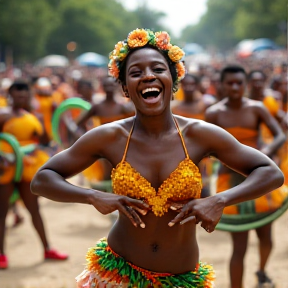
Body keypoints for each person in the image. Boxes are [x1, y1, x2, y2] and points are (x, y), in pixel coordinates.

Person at [31, 29, 284, 288]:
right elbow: (42, 179)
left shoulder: (199, 135)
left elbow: (271, 172)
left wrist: (219, 200)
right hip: (118, 275)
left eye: (158, 69)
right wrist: (92, 196)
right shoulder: (109, 137)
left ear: (172, 80)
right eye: (136, 72)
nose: (148, 76)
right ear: (125, 88)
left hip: (181, 279)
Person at [205, 65, 286, 288]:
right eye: (230, 83)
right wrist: (222, 159)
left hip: (258, 178)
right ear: (221, 85)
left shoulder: (257, 108)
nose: (235, 87)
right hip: (230, 182)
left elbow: (279, 135)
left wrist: (266, 153)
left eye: (239, 83)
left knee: (266, 236)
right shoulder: (214, 113)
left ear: (245, 85)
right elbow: (205, 146)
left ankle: (261, 271)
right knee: (239, 246)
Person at [0, 80, 68, 269]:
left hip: (27, 167)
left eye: (25, 95)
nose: (21, 98)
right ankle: (1, 255)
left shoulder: (31, 116)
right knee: (1, 213)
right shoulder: (3, 116)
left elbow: (44, 139)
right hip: (6, 168)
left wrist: (41, 119)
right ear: (10, 96)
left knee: (34, 209)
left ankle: (47, 249)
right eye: (17, 95)